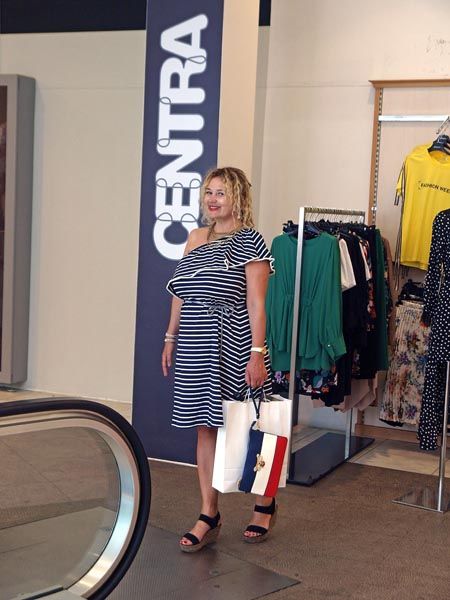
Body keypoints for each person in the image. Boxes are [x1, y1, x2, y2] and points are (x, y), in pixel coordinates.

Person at [162, 166, 277, 552]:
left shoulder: (251, 241)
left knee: (251, 423)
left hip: (235, 341)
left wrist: (257, 354)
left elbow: (257, 304)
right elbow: (180, 291)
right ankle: (209, 512)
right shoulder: (195, 237)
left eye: (221, 193)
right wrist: (170, 336)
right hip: (196, 342)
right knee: (204, 427)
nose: (212, 199)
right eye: (209, 192)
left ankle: (264, 503)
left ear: (237, 198)